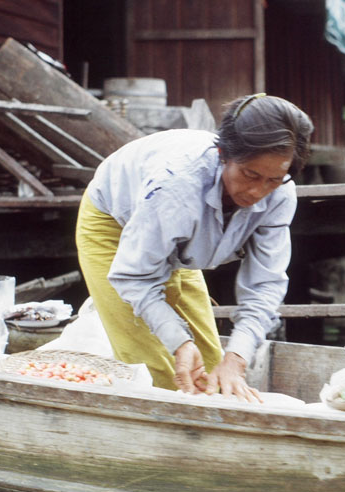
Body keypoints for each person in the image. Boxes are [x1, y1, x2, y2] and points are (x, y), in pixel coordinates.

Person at [76, 93, 313, 402]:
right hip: (114, 224)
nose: (258, 191)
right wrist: (178, 343)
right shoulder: (176, 188)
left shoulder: (280, 194)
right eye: (250, 175)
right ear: (222, 154)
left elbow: (265, 285)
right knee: (157, 373)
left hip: (179, 241)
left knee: (214, 369)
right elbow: (134, 277)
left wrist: (237, 359)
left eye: (272, 180)